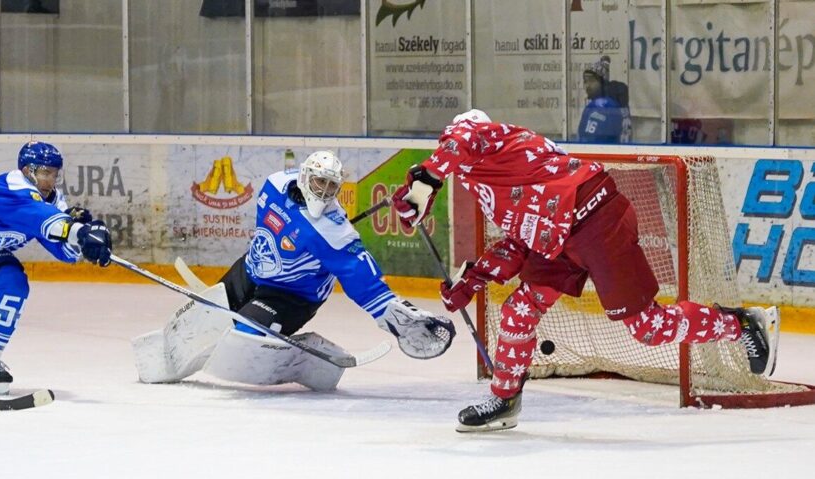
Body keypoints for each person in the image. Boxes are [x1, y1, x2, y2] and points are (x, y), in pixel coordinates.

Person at [391, 109, 776, 432]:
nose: (449, 149)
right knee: (519, 311)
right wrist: (475, 277)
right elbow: (522, 240)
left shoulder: (493, 138)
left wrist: (424, 184)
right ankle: (504, 400)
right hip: (558, 237)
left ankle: (741, 324)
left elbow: (461, 140)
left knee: (648, 327)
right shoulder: (491, 179)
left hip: (594, 219)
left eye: (449, 142)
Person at [132, 150, 455, 391]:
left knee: (243, 342)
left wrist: (396, 315)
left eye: (331, 186)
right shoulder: (274, 184)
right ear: (304, 177)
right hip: (249, 271)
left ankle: (303, 360)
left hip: (291, 296)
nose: (324, 191)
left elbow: (363, 279)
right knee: (200, 320)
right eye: (319, 182)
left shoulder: (334, 231)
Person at [0, 141, 113, 394]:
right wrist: (78, 231)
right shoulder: (8, 187)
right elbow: (42, 219)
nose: (51, 180)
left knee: (14, 283)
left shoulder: (53, 201)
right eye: (45, 172)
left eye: (54, 174)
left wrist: (86, 241)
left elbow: (65, 252)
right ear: (27, 170)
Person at [578, 58, 623, 144]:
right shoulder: (589, 107)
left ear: (603, 83)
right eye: (585, 81)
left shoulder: (610, 107)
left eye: (591, 81)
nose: (587, 85)